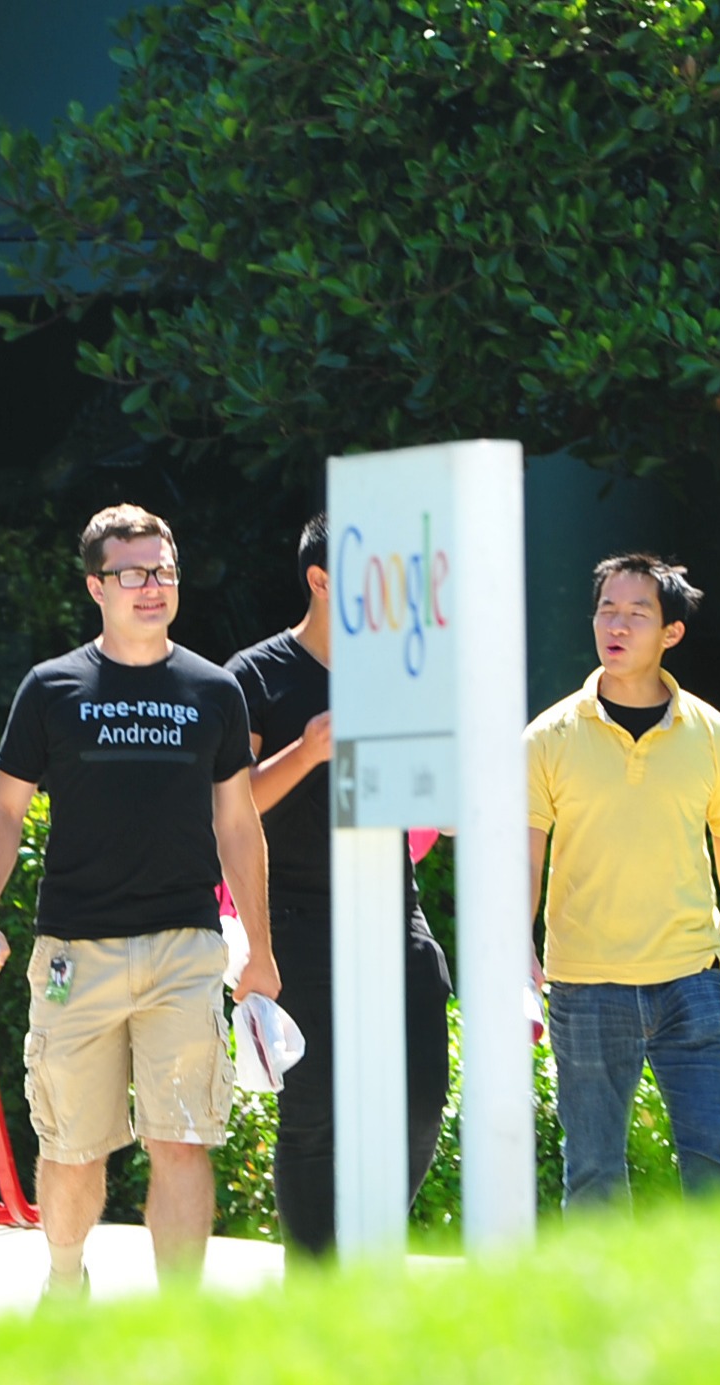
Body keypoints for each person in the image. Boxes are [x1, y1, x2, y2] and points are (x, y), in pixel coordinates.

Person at [0, 504, 279, 1295]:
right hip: (75, 951)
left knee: (182, 1138)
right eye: (132, 573)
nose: (152, 586)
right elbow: (3, 811)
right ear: (95, 586)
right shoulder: (50, 687)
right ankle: (65, 1282)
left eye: (162, 570)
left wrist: (261, 953)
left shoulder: (213, 690)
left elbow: (238, 824)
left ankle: (176, 1323)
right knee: (71, 1146)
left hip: (185, 949)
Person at [225, 514, 452, 1259]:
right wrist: (307, 750)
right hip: (296, 917)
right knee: (313, 1117)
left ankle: (366, 1251)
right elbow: (229, 807)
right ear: (321, 581)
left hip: (393, 911)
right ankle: (317, 1282)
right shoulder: (254, 676)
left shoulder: (396, 674)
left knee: (420, 1100)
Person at [527, 554, 720, 1209]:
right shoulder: (547, 737)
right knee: (592, 1172)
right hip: (584, 983)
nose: (617, 625)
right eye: (607, 609)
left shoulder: (715, 736)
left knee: (713, 1163)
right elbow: (526, 852)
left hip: (693, 979)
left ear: (670, 633)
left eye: (637, 613)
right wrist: (519, 946)